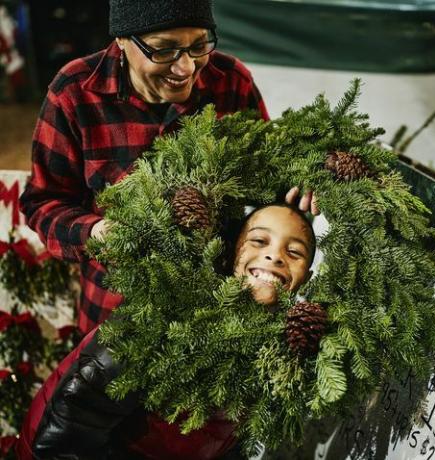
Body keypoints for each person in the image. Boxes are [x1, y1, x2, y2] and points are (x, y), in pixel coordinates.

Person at [18, 0, 271, 335]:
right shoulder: (75, 93)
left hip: (217, 317)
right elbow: (43, 203)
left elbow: (272, 176)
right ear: (122, 40)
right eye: (164, 50)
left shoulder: (231, 82)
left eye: (198, 45)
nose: (186, 67)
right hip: (113, 318)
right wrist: (95, 232)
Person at [16, 203, 316, 460]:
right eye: (259, 241)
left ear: (308, 277)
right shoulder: (165, 321)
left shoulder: (275, 353)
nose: (275, 256)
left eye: (294, 252)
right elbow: (67, 426)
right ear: (229, 254)